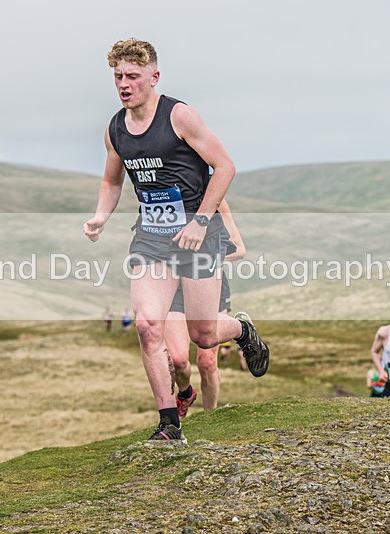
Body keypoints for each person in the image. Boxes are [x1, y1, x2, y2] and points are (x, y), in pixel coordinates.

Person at [84, 38, 269, 443]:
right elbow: (111, 180)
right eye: (118, 77)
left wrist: (201, 222)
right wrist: (101, 214)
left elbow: (225, 167)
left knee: (203, 335)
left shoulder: (179, 117)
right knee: (149, 326)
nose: (124, 84)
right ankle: (169, 424)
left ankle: (240, 329)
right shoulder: (116, 128)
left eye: (132, 76)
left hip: (197, 239)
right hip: (151, 240)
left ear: (154, 77)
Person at [166, 198, 245, 416]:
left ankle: (209, 417)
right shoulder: (164, 192)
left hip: (208, 281)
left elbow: (239, 249)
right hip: (176, 285)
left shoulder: (215, 199)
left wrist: (203, 257)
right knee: (178, 359)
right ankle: (185, 393)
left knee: (207, 361)